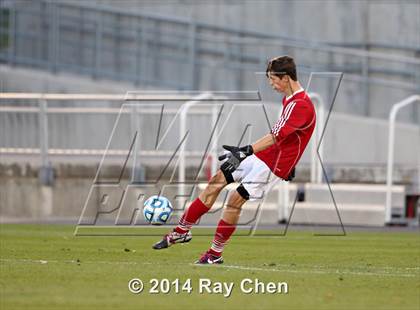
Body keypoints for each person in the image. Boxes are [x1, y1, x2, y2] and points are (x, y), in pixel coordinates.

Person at [153, 55, 316, 264]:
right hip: (264, 156)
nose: (271, 84)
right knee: (217, 180)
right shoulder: (290, 100)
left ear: (285, 78)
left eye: (273, 79)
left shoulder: (301, 104)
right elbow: (292, 135)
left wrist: (245, 151)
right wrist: (247, 152)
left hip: (274, 165)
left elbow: (276, 135)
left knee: (234, 200)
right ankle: (181, 231)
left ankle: (214, 254)